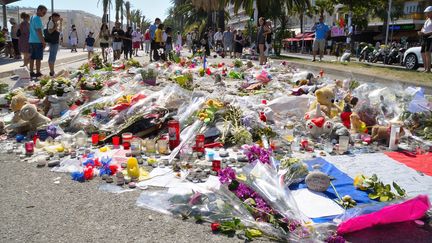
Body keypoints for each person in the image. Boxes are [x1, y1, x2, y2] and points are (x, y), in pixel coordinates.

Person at [29, 5, 47, 78]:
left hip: (31, 40)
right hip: (37, 41)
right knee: (38, 58)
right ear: (39, 10)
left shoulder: (32, 17)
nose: (44, 14)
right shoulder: (37, 18)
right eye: (43, 12)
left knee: (32, 57)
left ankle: (31, 72)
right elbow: (39, 31)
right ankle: (38, 72)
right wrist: (43, 42)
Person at [46, 12, 62, 76]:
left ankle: (52, 71)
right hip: (53, 42)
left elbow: (59, 31)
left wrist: (60, 23)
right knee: (52, 57)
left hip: (54, 41)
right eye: (58, 17)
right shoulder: (51, 22)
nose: (58, 19)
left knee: (53, 56)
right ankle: (52, 72)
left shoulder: (54, 23)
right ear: (54, 17)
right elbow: (50, 31)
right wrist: (55, 27)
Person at [420, 6, 432, 72]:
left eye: (428, 13)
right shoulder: (427, 20)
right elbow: (423, 27)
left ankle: (428, 69)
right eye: (426, 13)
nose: (426, 14)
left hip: (430, 38)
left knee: (427, 52)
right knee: (422, 52)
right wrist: (421, 32)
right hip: (424, 37)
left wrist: (426, 34)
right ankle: (425, 68)